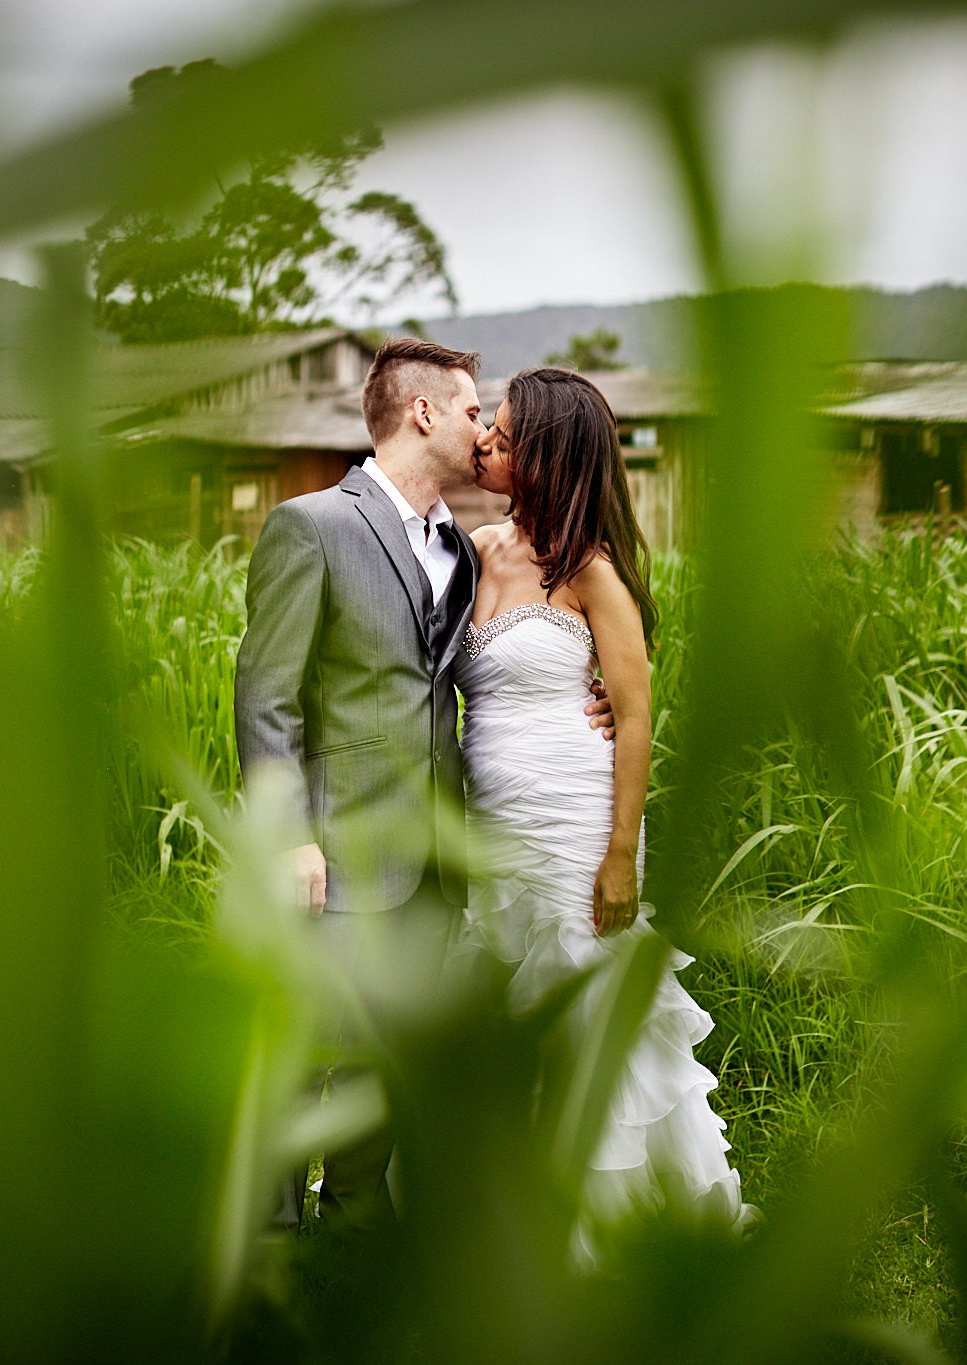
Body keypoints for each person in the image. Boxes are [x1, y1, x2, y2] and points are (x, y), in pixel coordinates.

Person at [233, 338, 609, 1230]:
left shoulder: (465, 548)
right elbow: (266, 694)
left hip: (437, 855)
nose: (486, 431)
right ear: (425, 412)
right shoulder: (313, 524)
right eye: (476, 410)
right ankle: (272, 1237)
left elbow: (514, 643)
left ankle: (353, 1215)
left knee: (384, 1049)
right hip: (338, 845)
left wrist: (581, 692)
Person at [459, 367, 751, 1248]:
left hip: (576, 825)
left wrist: (621, 853)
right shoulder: (475, 549)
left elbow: (632, 715)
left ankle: (608, 1229)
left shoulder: (592, 573)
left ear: (547, 458)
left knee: (587, 1007)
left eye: (505, 438)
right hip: (492, 822)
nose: (487, 444)